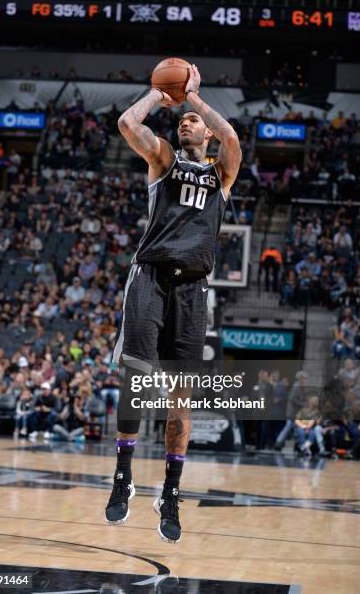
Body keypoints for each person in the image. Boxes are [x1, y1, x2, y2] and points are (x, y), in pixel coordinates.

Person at [105, 64, 242, 543]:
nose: (184, 123)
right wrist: (158, 96)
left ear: (204, 129)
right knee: (136, 378)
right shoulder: (163, 161)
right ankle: (123, 476)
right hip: (151, 278)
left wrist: (195, 98)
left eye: (192, 122)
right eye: (182, 120)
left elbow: (232, 138)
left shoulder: (221, 173)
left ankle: (170, 491)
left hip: (193, 289)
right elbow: (127, 125)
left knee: (179, 399)